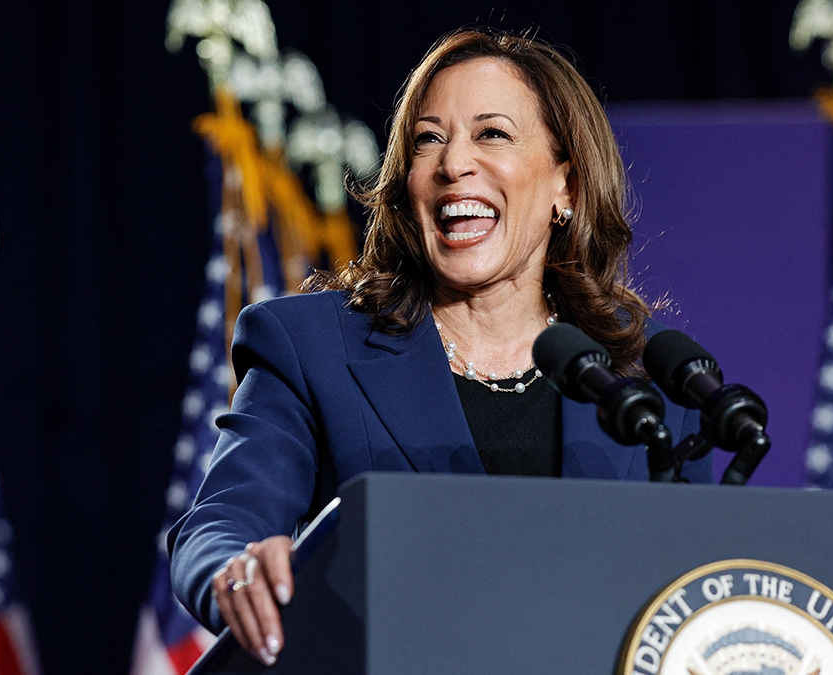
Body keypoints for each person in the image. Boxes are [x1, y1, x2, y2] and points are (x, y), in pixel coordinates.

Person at [168, 27, 713, 666]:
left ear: (565, 183)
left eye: (493, 134)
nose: (454, 163)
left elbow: (701, 590)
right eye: (429, 139)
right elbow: (221, 521)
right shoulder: (309, 347)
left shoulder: (646, 384)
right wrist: (234, 571)